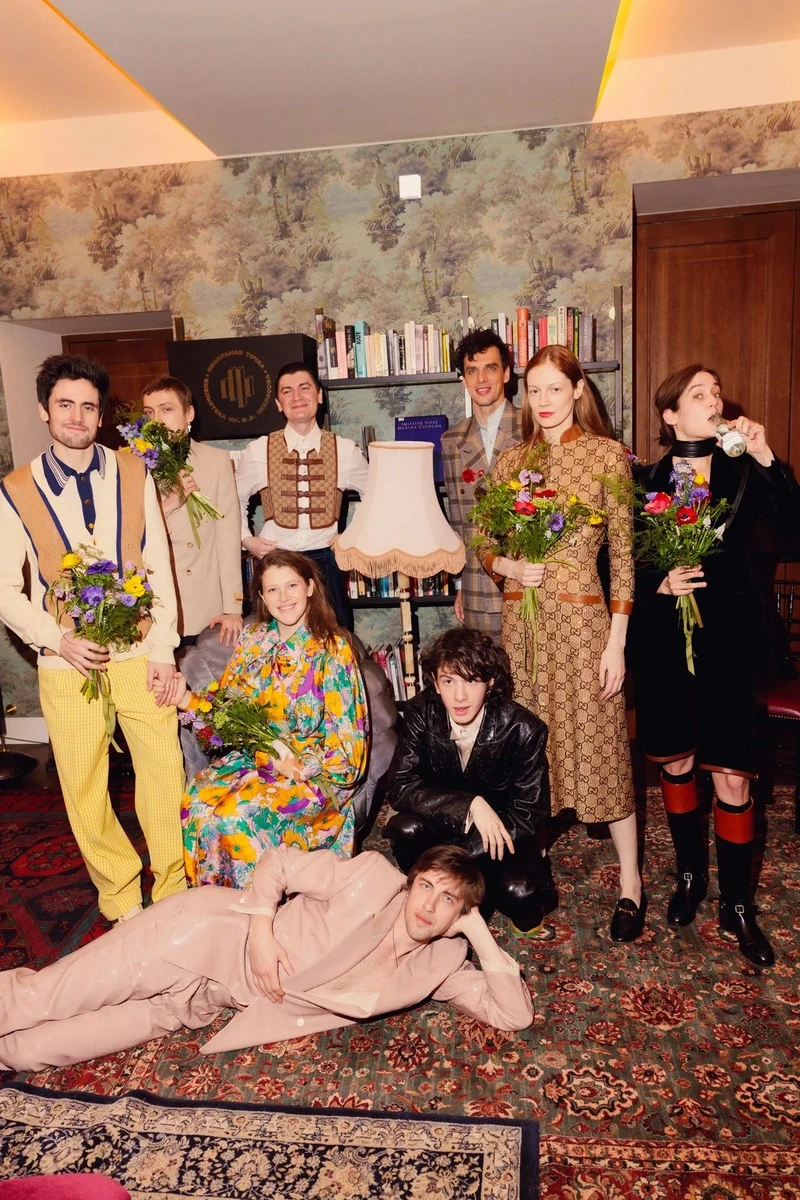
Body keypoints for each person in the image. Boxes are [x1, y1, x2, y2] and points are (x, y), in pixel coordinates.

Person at [0, 843, 533, 1072]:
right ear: (411, 882)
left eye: (449, 901)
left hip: (202, 1004)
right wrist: (260, 930)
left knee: (32, 1053)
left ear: (460, 915)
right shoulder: (371, 877)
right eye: (427, 887)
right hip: (199, 937)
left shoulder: (439, 964)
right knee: (43, 996)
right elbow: (278, 862)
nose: (429, 906)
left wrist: (479, 934)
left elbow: (512, 1015)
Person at [0, 354, 186, 924]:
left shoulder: (135, 472)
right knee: (83, 785)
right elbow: (5, 589)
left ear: (101, 415)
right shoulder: (14, 489)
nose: (77, 416)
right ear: (44, 411)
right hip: (69, 663)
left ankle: (174, 888)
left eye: (88, 406)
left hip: (141, 653)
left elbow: (159, 564)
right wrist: (56, 639)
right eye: (65, 405)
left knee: (164, 771)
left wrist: (164, 648)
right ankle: (122, 897)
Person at [628, 365, 800, 966]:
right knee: (675, 762)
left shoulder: (745, 472)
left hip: (729, 644)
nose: (714, 400)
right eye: (698, 394)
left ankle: (737, 904)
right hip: (664, 645)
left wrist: (766, 453)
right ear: (670, 415)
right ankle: (689, 878)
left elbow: (794, 528)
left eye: (717, 392)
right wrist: (659, 583)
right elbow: (614, 563)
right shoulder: (644, 482)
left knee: (732, 776)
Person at [477, 345, 644, 942]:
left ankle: (631, 883)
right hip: (524, 630)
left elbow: (623, 559)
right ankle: (534, 863)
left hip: (585, 627)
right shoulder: (511, 463)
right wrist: (508, 567)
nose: (544, 401)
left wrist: (616, 644)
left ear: (578, 390)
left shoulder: (606, 456)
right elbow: (484, 541)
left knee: (603, 749)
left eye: (555, 388)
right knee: (531, 751)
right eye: (535, 390)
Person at [176, 549, 368, 886]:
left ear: (310, 587)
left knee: (234, 817)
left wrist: (298, 765)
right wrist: (186, 699)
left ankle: (253, 907)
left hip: (312, 776)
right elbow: (227, 715)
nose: (284, 597)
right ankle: (213, 906)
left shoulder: (333, 649)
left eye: (292, 585)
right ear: (263, 597)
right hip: (253, 763)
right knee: (197, 802)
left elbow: (350, 750)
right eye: (273, 589)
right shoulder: (253, 640)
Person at [384, 628, 554, 934]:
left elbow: (531, 812)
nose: (459, 696)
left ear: (491, 682)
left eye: (472, 680)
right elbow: (399, 784)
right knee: (404, 830)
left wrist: (461, 854)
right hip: (439, 825)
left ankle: (460, 891)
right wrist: (470, 806)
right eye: (449, 681)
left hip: (496, 840)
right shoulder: (420, 711)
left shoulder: (524, 729)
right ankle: (450, 893)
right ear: (435, 682)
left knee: (523, 895)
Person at [234, 363, 369, 628]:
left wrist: (352, 536)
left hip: (326, 562)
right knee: (278, 638)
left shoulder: (345, 450)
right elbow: (233, 499)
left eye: (304, 388)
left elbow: (374, 494)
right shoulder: (258, 451)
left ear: (319, 395)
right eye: (287, 391)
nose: (296, 397)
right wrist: (246, 539)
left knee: (335, 636)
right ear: (278, 403)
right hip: (276, 561)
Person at [141, 375, 244, 648]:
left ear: (189, 414)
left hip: (204, 606)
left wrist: (233, 606)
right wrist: (169, 504)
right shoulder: (133, 465)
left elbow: (227, 536)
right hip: (153, 607)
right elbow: (131, 534)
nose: (156, 420)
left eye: (166, 409)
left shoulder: (216, 461)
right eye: (149, 413)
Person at [442, 330, 522, 638]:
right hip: (478, 586)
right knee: (484, 667)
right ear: (463, 379)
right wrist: (460, 585)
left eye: (490, 367)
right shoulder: (452, 440)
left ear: (506, 373)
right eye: (472, 370)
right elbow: (457, 522)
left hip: (529, 581)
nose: (482, 379)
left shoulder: (533, 427)